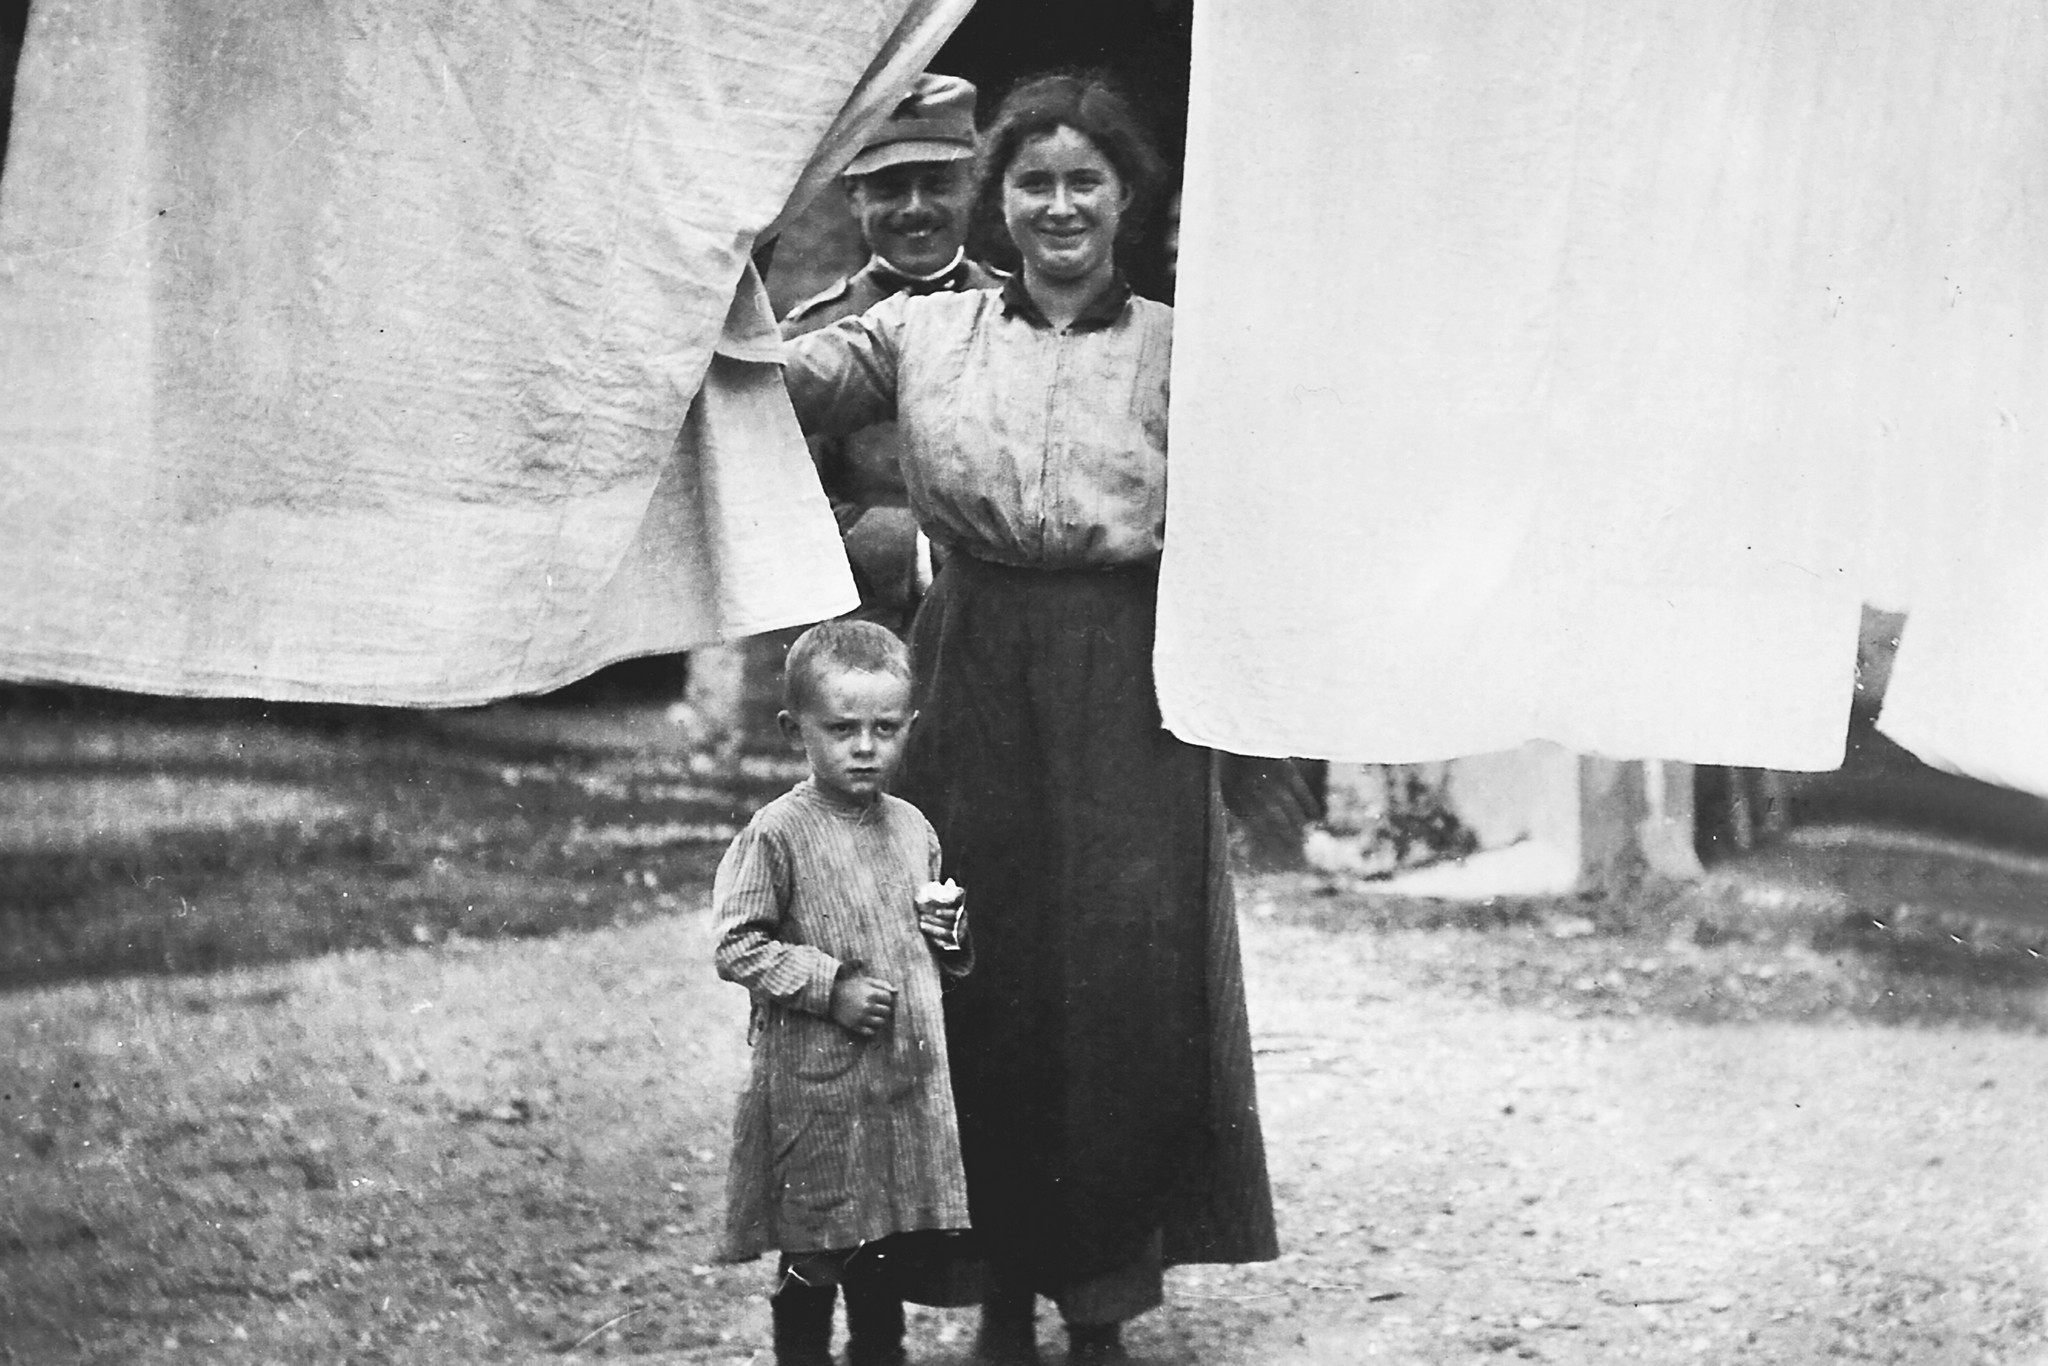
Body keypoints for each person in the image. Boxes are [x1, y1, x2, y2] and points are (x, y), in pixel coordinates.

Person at [781, 72, 1279, 1364]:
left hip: (1131, 679)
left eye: (1085, 181)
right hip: (973, 668)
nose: (1060, 206)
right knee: (975, 973)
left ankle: (1100, 1293)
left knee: (1120, 979)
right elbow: (778, 385)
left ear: (1127, 196)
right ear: (997, 201)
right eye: (1034, 183)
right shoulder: (923, 337)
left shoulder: (1188, 345)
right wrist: (721, 247)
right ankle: (998, 1282)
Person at [712, 620, 973, 1366]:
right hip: (818, 1092)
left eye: (885, 728)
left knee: (883, 1243)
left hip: (897, 1088)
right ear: (797, 730)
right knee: (817, 1247)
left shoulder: (912, 827)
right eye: (842, 728)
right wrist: (831, 986)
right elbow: (737, 942)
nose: (865, 747)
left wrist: (952, 936)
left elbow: (941, 954)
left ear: (908, 728)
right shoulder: (777, 833)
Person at [782, 73, 1004, 636]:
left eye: (936, 184)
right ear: (852, 194)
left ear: (972, 185)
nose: (914, 207)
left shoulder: (1016, 312)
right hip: (868, 623)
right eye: (888, 188)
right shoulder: (816, 334)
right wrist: (911, 550)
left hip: (1004, 616)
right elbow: (785, 497)